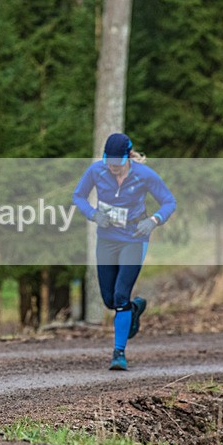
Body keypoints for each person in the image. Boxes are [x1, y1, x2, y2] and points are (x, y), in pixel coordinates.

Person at [73, 133, 176, 371]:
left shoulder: (144, 175)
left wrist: (153, 220)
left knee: (120, 296)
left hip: (134, 240)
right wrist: (93, 214)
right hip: (107, 240)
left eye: (117, 166)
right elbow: (78, 196)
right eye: (110, 164)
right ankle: (134, 308)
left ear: (128, 157)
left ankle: (118, 354)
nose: (113, 170)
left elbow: (169, 202)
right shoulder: (96, 171)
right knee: (109, 300)